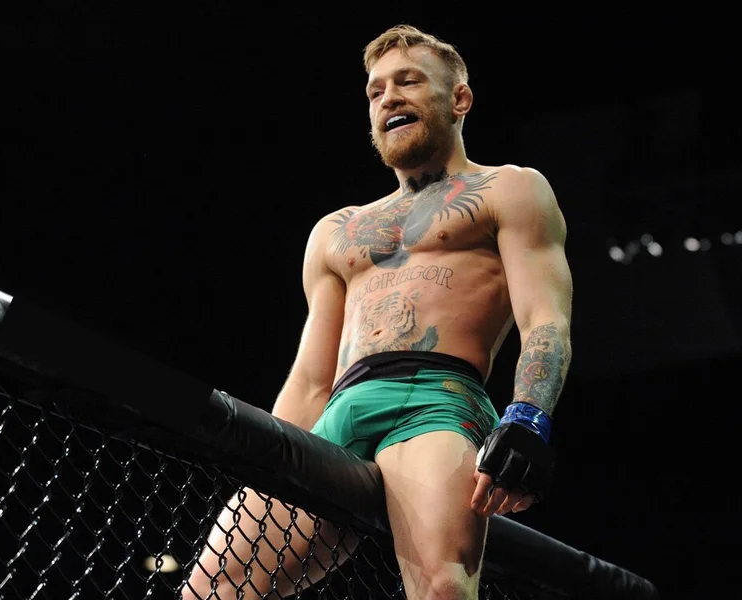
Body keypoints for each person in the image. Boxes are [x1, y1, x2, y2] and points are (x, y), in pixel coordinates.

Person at [183, 23, 573, 600]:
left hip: (437, 399)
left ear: (460, 99)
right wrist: (264, 454)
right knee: (210, 589)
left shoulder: (509, 190)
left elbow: (545, 318)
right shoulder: (337, 231)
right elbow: (312, 378)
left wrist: (529, 418)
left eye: (408, 82)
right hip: (340, 412)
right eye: (376, 90)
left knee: (441, 586)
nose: (389, 97)